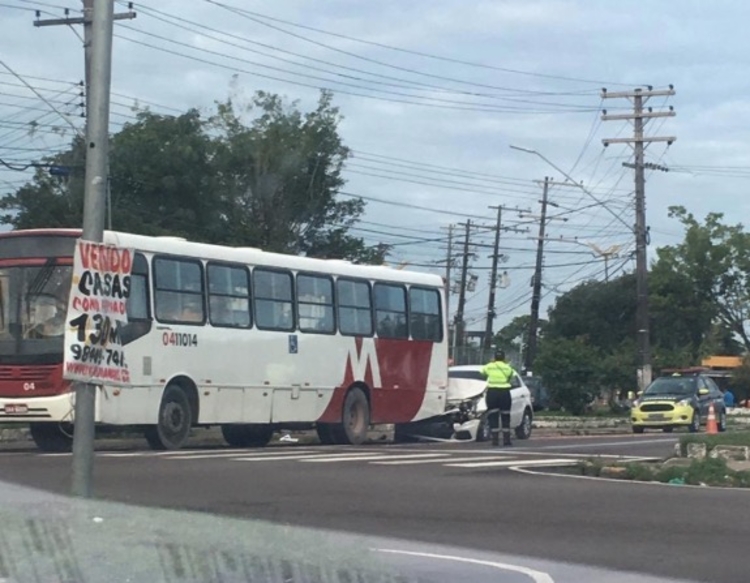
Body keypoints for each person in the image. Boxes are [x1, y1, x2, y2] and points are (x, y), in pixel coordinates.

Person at [480, 349, 518, 447]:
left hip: (492, 392)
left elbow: (482, 373)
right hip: (504, 392)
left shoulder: (489, 366)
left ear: (494, 358)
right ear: (504, 358)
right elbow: (513, 376)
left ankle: (495, 440)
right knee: (505, 415)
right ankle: (506, 440)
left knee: (493, 415)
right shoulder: (507, 367)